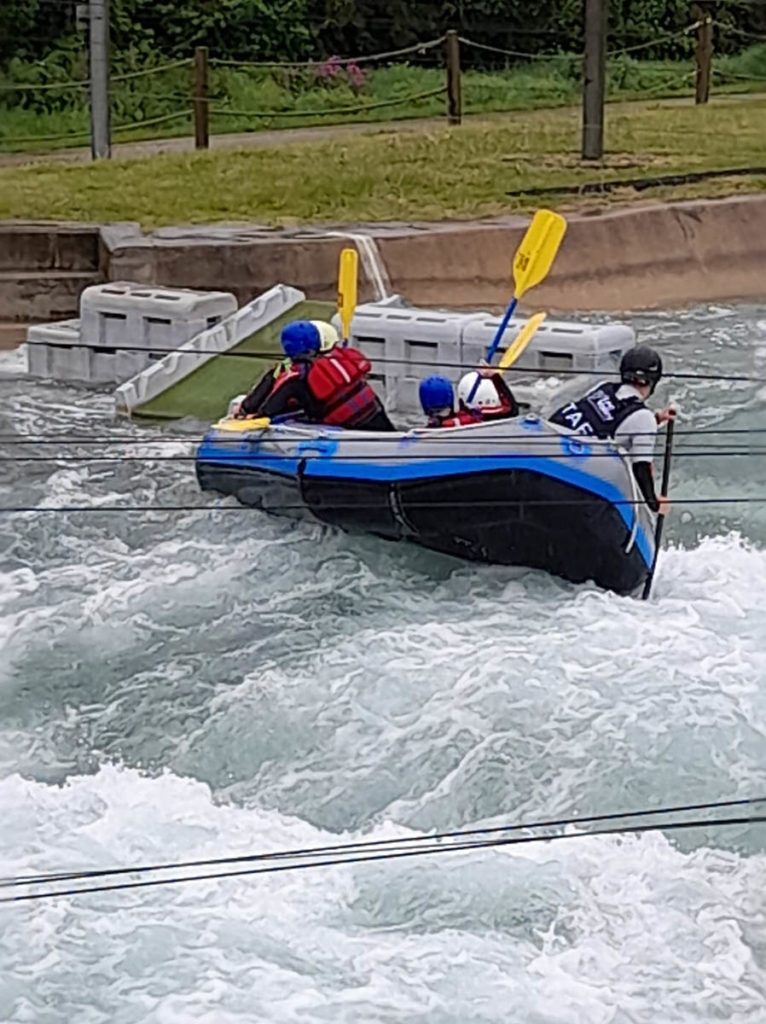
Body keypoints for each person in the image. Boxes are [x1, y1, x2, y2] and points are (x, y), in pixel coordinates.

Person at [549, 344, 674, 514]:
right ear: (653, 382)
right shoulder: (643, 418)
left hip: (549, 450)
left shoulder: (603, 388)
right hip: (570, 479)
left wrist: (656, 418)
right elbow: (641, 468)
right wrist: (654, 504)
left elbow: (603, 418)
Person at [236, 319, 394, 431]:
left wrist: (248, 414)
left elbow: (269, 410)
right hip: (376, 414)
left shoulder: (294, 377)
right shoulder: (339, 357)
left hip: (349, 428)